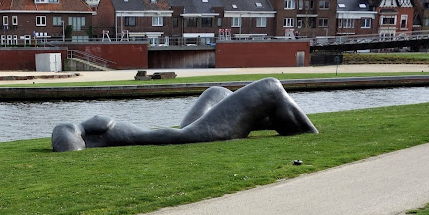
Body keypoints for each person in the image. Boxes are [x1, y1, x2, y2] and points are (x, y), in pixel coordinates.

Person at [52, 77, 318, 152]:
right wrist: (82, 128)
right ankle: (305, 131)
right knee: (271, 86)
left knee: (216, 92)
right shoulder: (87, 134)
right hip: (195, 136)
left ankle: (276, 120)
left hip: (189, 131)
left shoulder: (98, 133)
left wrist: (87, 127)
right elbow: (67, 145)